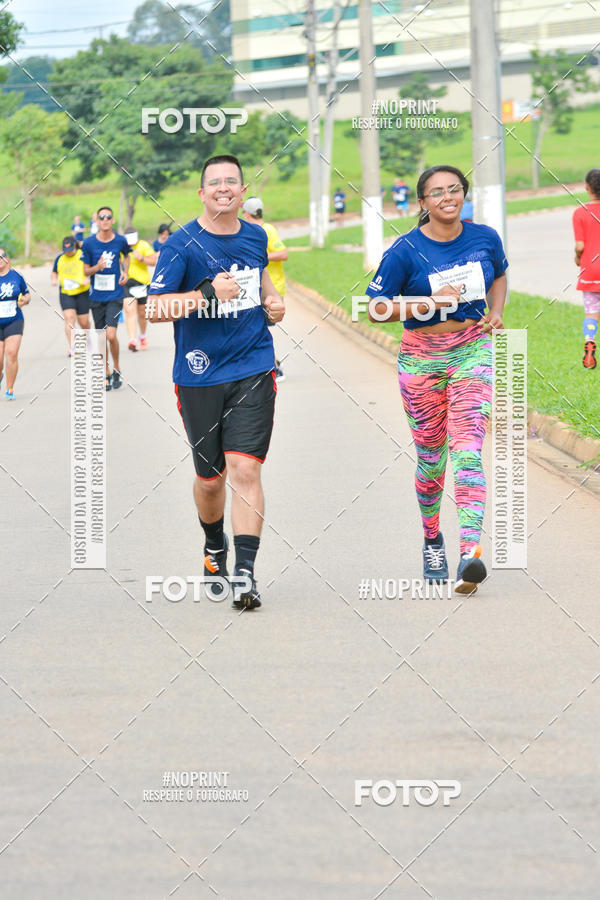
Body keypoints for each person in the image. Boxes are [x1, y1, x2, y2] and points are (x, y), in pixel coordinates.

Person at [147, 154, 285, 610]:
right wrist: (206, 293)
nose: (224, 188)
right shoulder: (181, 244)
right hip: (199, 374)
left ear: (243, 191)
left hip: (253, 365)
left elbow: (260, 274)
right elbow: (153, 308)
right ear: (202, 193)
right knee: (211, 480)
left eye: (232, 182)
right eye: (215, 183)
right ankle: (213, 547)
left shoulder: (255, 235)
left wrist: (271, 298)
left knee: (246, 469)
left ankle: (245, 574)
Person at [366, 164, 507, 595]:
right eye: (438, 192)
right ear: (423, 202)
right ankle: (432, 538)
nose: (448, 197)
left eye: (455, 189)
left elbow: (499, 273)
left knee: (467, 448)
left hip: (471, 348)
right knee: (431, 460)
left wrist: (497, 311)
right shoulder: (404, 251)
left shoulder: (484, 237)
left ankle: (470, 552)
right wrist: (426, 302)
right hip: (422, 357)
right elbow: (375, 308)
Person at [81, 206, 130, 391]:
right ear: (97, 221)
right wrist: (97, 267)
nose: (105, 220)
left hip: (115, 295)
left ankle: (116, 367)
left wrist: (125, 271)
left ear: (113, 220)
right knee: (101, 337)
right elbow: (85, 270)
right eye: (101, 217)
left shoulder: (120, 240)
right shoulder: (88, 244)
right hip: (97, 296)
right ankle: (106, 372)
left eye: (108, 217)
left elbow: (128, 256)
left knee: (111, 334)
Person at [242, 196, 287, 381]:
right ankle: (273, 363)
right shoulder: (252, 230)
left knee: (258, 331)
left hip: (270, 289)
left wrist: (260, 256)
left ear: (246, 213)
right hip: (257, 289)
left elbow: (283, 253)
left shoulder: (266, 230)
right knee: (256, 329)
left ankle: (275, 367)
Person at [573, 168, 600, 369]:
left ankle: (590, 339)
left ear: (587, 188)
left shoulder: (580, 212)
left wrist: (577, 258)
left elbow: (580, 246)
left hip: (590, 271)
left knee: (591, 312)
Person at [51, 236, 91, 356]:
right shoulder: (59, 258)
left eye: (70, 249)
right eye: (65, 250)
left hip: (82, 292)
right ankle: (73, 347)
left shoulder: (83, 255)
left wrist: (88, 279)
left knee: (83, 321)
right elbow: (54, 272)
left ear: (75, 246)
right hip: (66, 292)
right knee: (69, 318)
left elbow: (91, 270)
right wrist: (54, 279)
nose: (68, 252)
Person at [0, 248, 31, 400]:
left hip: (14, 319)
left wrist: (25, 300)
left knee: (11, 353)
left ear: (7, 259)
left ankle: (10, 388)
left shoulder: (16, 276)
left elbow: (26, 293)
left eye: (2, 255)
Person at [123, 227, 157, 351]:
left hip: (142, 284)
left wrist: (142, 258)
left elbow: (153, 261)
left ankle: (142, 335)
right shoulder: (122, 247)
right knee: (129, 311)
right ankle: (132, 340)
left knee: (142, 314)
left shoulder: (143, 245)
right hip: (127, 283)